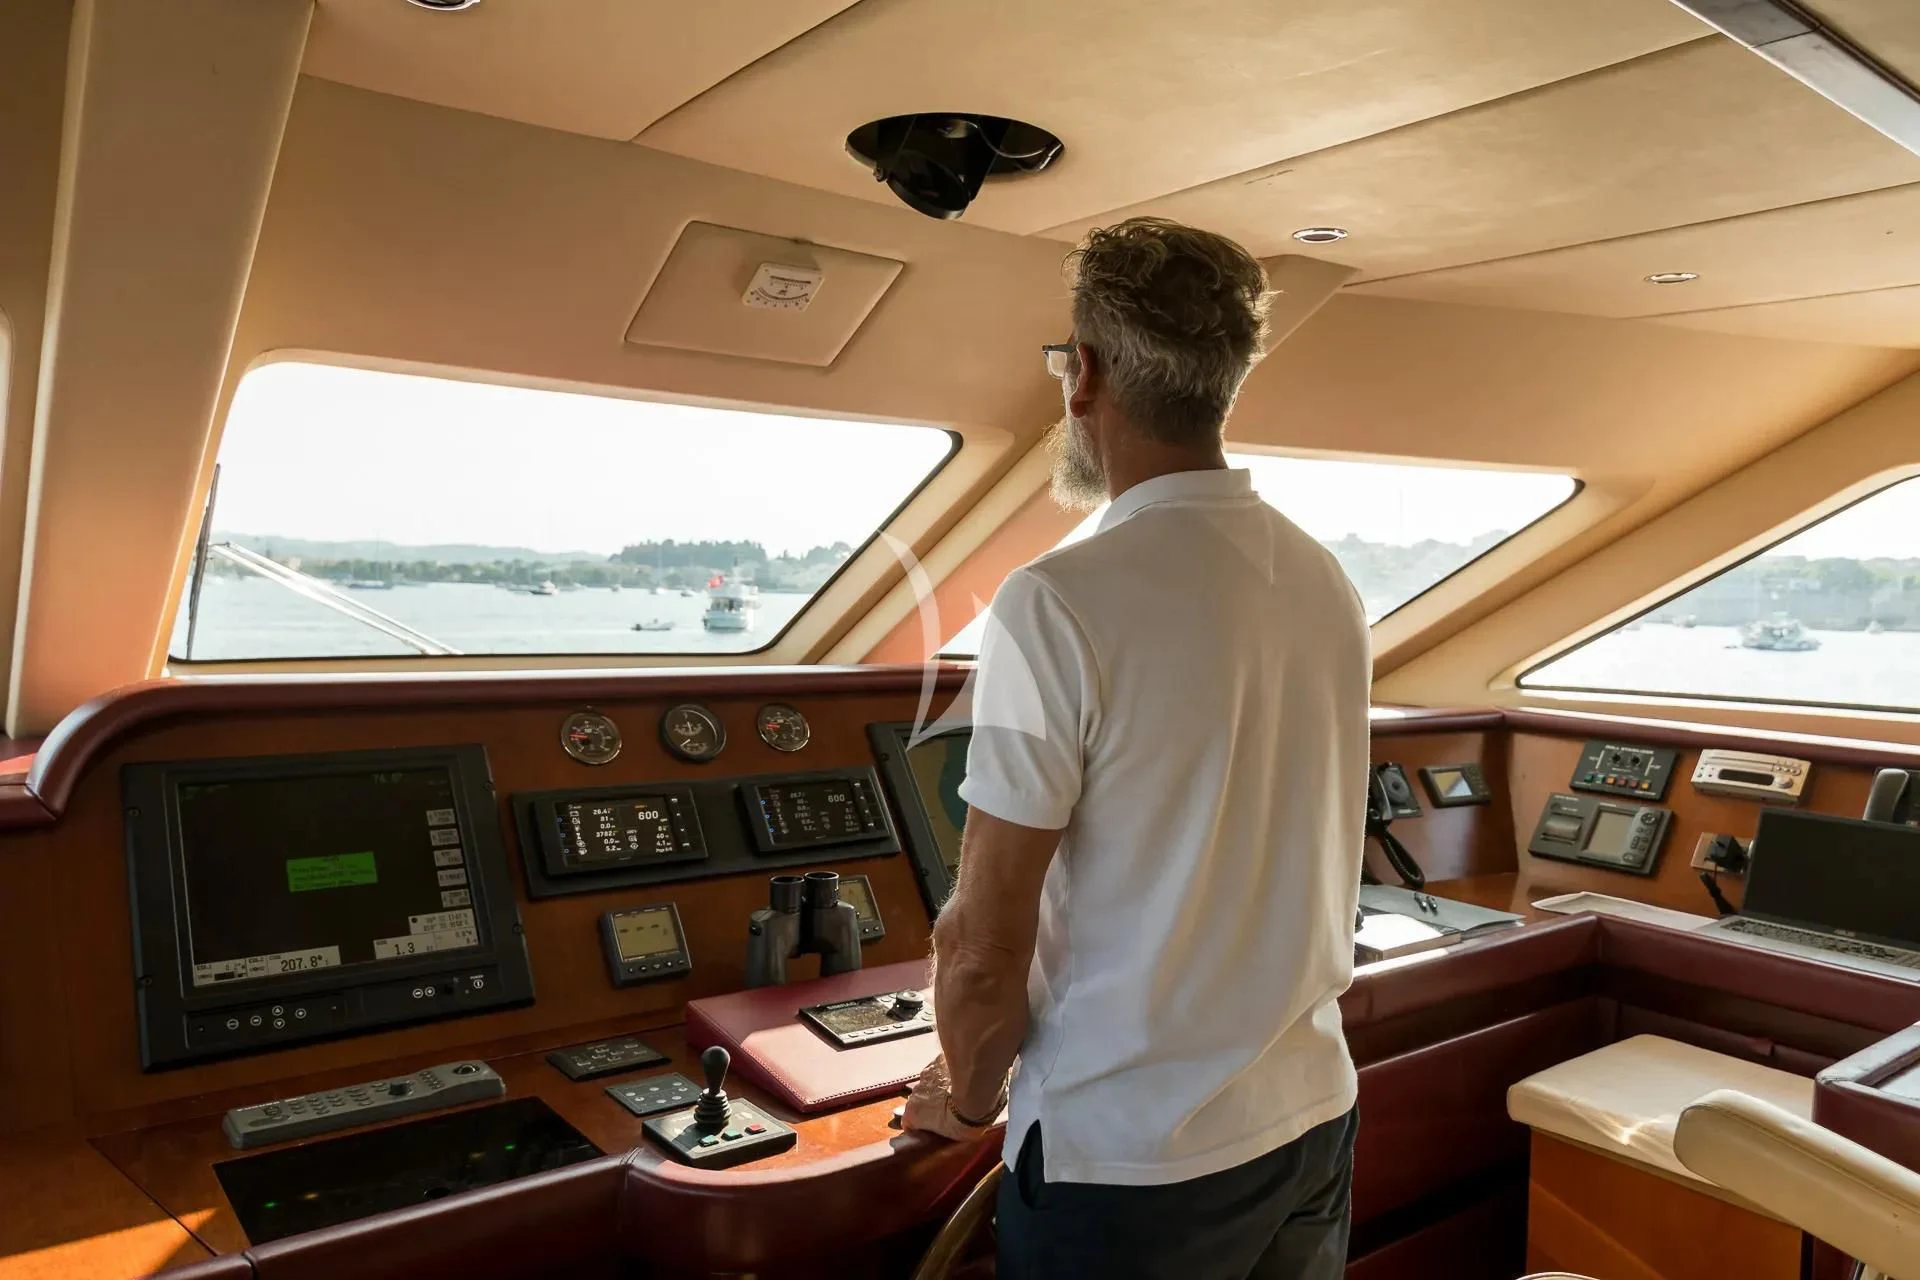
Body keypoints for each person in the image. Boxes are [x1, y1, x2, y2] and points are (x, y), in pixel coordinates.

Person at [901, 216, 1371, 1279]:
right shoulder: (1322, 579)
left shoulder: (1056, 601)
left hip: (1130, 1169)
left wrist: (968, 1094)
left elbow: (981, 943)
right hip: (1308, 1119)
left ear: (1088, 376)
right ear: (1224, 383)